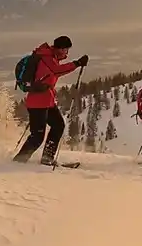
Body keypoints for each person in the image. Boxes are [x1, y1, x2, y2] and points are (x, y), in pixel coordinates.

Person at [13, 35, 88, 165]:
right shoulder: (46, 57)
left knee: (58, 125)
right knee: (37, 136)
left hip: (47, 100)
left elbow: (54, 72)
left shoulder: (50, 57)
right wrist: (77, 63)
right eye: (66, 49)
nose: (67, 52)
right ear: (60, 48)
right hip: (38, 102)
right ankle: (19, 161)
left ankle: (47, 158)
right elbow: (57, 70)